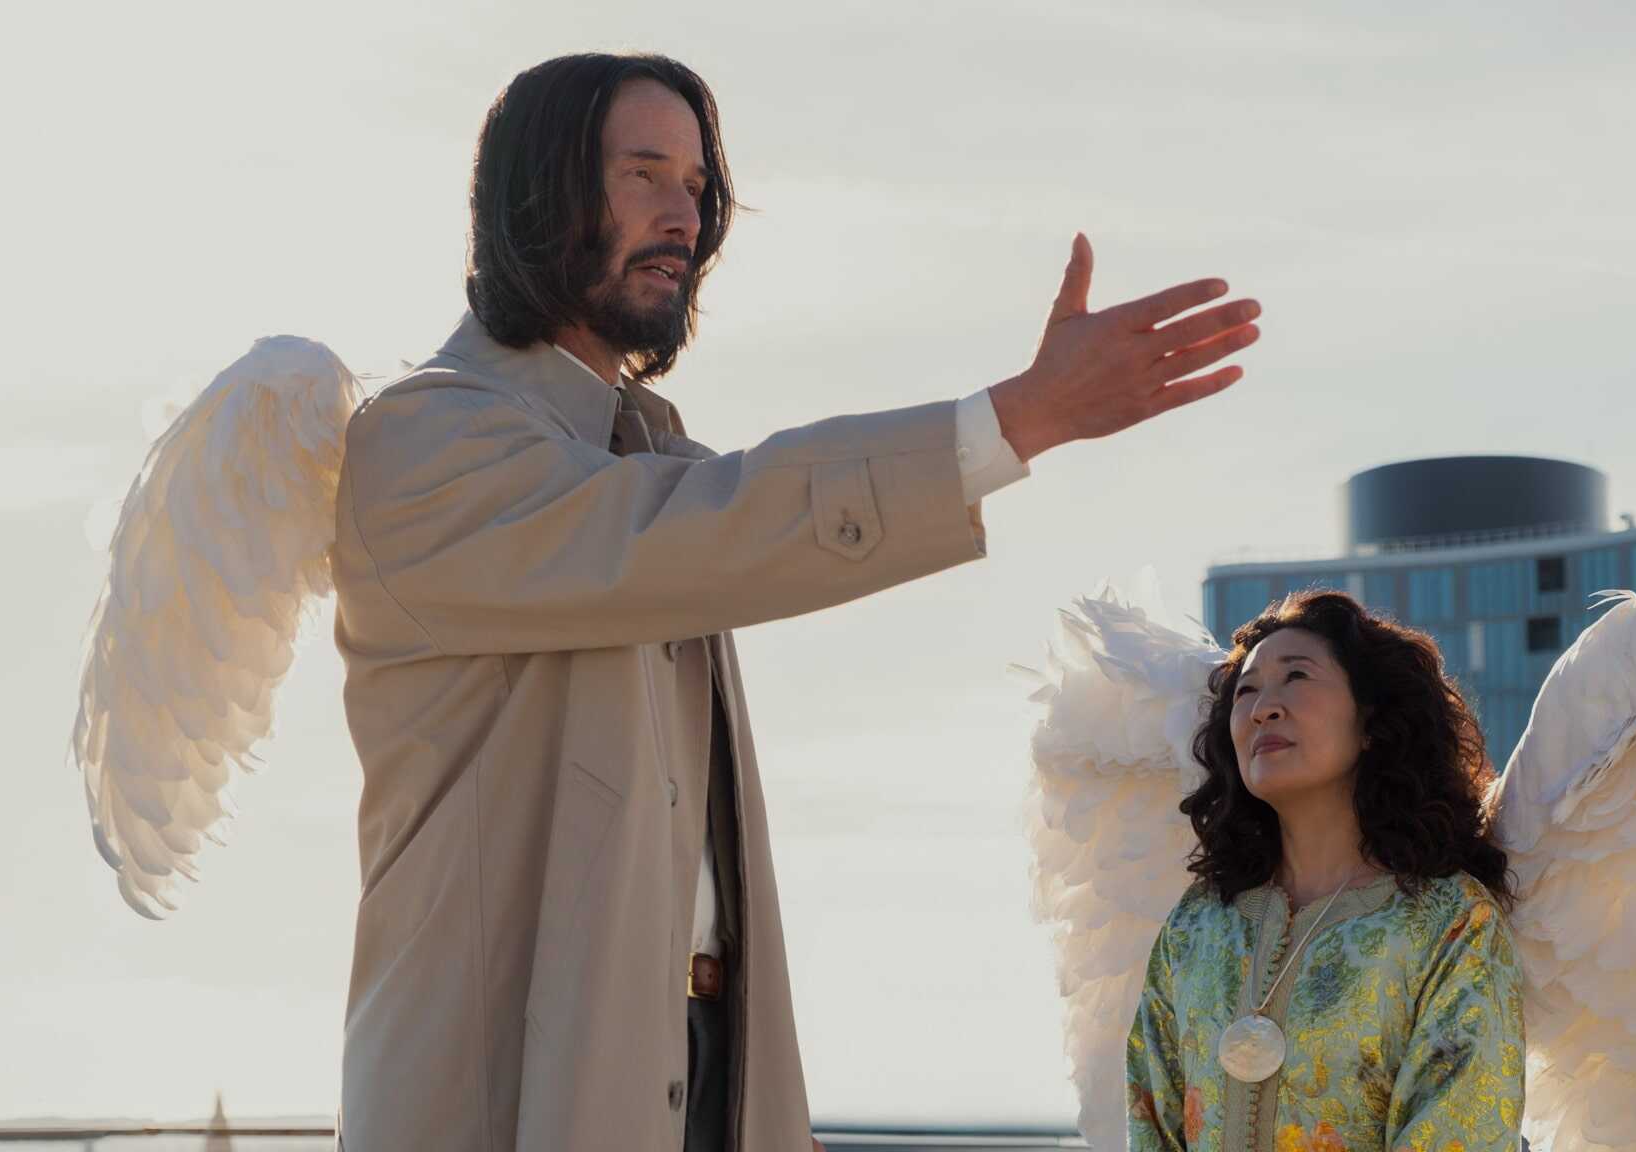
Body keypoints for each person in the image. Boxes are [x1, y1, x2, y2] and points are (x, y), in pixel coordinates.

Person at [329, 52, 1263, 1152]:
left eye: (695, 185)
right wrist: (1011, 421)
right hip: (499, 1088)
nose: (682, 215)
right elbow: (707, 526)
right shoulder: (427, 438)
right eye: (642, 174)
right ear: (536, 196)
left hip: (699, 1063)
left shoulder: (638, 452)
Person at [1126, 590, 1524, 1151]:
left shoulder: (1450, 923)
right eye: (1246, 690)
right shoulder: (1196, 925)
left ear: (1370, 722)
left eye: (1296, 676)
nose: (1264, 705)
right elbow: (1150, 1125)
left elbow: (1463, 1134)